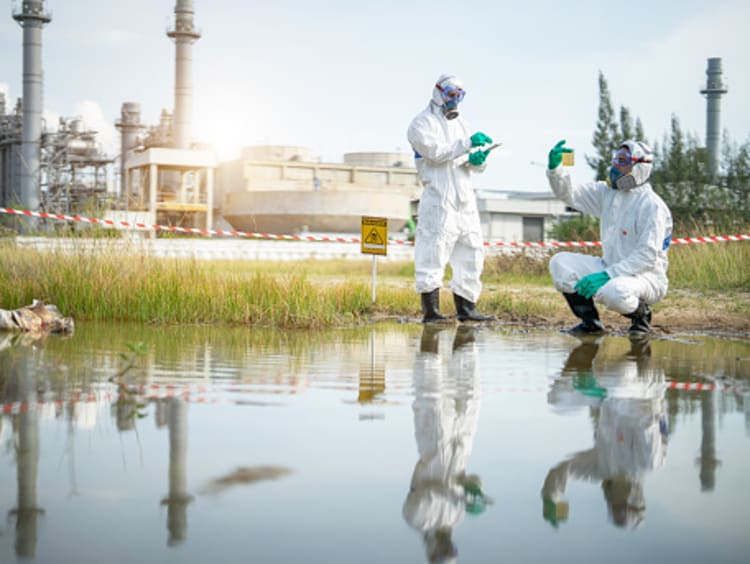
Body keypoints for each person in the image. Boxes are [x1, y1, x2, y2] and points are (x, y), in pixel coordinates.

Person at [546, 139, 673, 335]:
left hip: (645, 277)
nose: (614, 166)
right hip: (610, 267)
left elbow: (647, 256)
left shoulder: (652, 206)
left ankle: (641, 317)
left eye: (622, 161)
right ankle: (590, 324)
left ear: (639, 167)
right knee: (560, 263)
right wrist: (556, 170)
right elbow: (570, 195)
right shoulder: (607, 193)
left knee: (614, 292)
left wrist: (607, 275)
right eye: (614, 159)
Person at [541, 337, 668, 529]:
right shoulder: (648, 462)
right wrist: (603, 395)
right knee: (615, 381)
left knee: (557, 398)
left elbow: (565, 470)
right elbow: (646, 416)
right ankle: (637, 351)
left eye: (613, 506)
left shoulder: (602, 469)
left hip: (610, 392)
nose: (613, 501)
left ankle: (585, 361)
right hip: (646, 387)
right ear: (634, 501)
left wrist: (550, 496)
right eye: (619, 506)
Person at [407, 74, 495, 324]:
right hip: (439, 200)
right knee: (432, 253)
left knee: (472, 252)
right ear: (437, 92)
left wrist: (478, 161)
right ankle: (431, 312)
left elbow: (470, 163)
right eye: (450, 94)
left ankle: (467, 309)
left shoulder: (463, 125)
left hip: (465, 200)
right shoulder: (421, 124)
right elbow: (435, 154)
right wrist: (467, 144)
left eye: (459, 96)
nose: (454, 100)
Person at [403, 325, 491, 563]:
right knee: (471, 390)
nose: (446, 544)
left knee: (431, 387)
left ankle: (430, 329)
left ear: (431, 552)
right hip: (462, 444)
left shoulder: (417, 519)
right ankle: (465, 330)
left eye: (443, 551)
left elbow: (428, 493)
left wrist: (459, 494)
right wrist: (475, 489)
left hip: (434, 443)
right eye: (449, 549)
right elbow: (469, 481)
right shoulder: (457, 518)